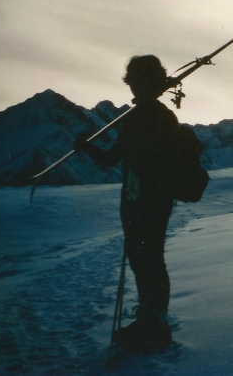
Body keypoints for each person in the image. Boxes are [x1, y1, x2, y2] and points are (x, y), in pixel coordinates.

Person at [74, 55, 178, 352]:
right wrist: (88, 148)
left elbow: (137, 160)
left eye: (137, 79)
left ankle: (154, 325)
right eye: (131, 79)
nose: (132, 85)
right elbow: (111, 159)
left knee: (148, 261)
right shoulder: (143, 116)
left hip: (148, 201)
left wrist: (87, 147)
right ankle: (150, 319)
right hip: (141, 200)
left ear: (150, 82)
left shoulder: (151, 117)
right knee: (143, 260)